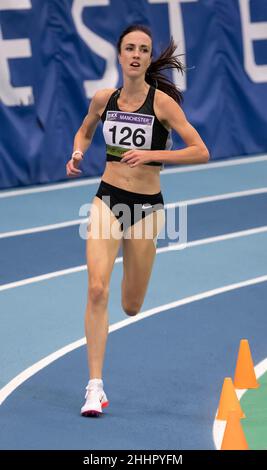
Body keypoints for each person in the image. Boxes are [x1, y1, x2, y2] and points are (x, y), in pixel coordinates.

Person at [66, 24, 210, 417]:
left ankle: (127, 311)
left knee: (130, 304)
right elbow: (83, 132)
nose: (135, 54)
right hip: (107, 199)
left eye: (143, 50)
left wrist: (152, 156)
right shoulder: (103, 100)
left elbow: (200, 151)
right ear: (119, 54)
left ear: (148, 59)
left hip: (146, 208)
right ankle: (94, 386)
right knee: (96, 289)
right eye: (129, 48)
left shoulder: (162, 104)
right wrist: (78, 153)